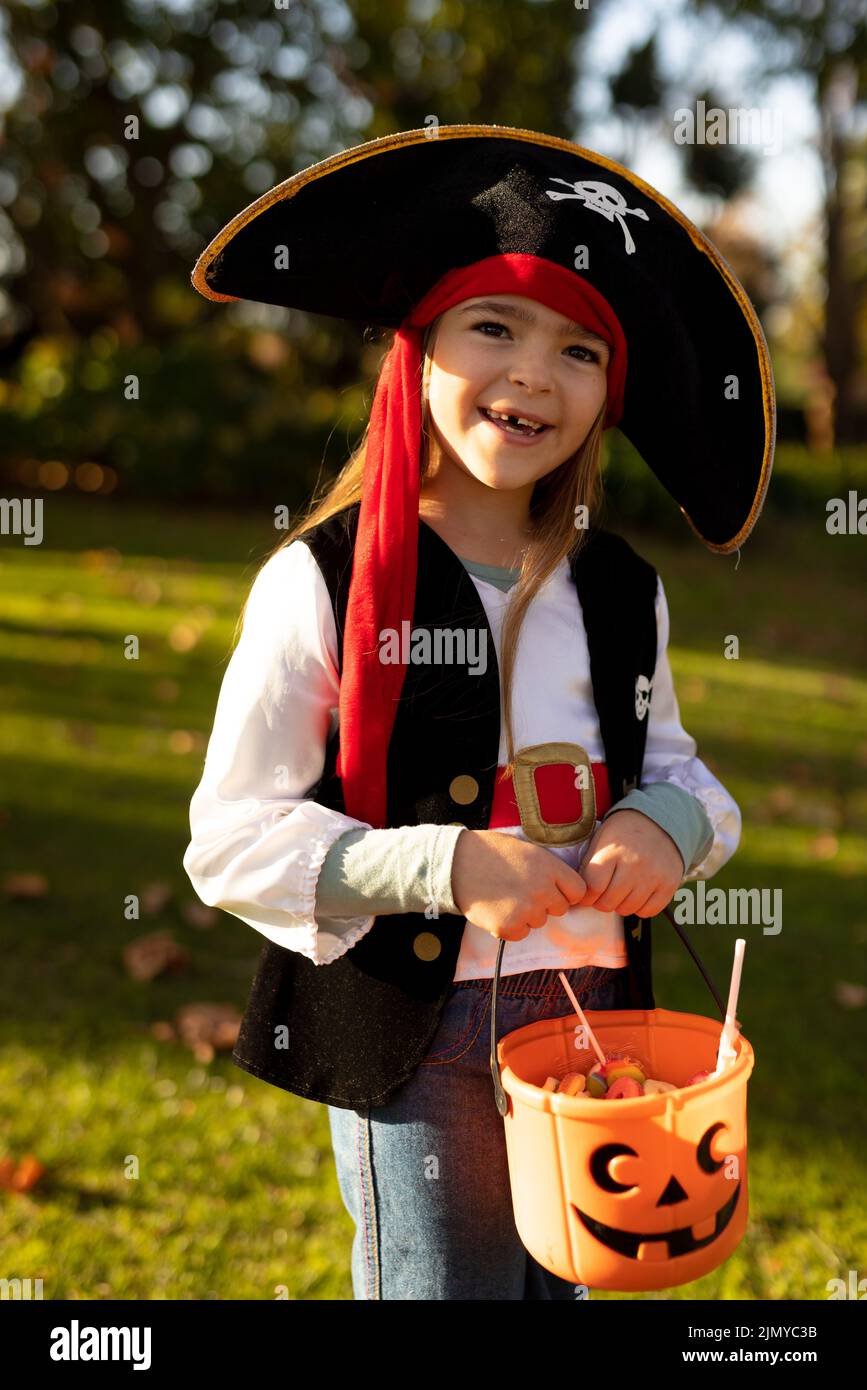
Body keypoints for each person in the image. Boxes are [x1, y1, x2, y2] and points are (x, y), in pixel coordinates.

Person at [183, 125, 774, 1300]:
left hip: (597, 1013)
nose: (532, 375)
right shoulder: (323, 580)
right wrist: (448, 866)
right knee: (443, 1285)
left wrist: (667, 824)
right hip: (421, 1032)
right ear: (419, 351)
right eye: (492, 326)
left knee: (576, 1281)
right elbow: (233, 837)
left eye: (578, 351)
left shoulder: (620, 589)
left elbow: (690, 777)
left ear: (612, 392)